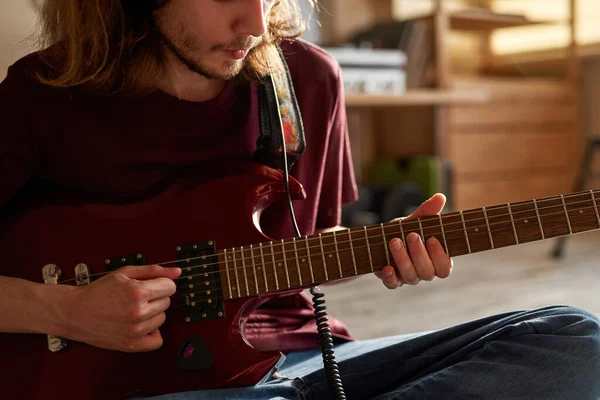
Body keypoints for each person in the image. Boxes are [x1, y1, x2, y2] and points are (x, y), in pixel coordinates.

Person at [1, 1, 599, 399]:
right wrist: (64, 311)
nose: (255, 21)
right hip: (144, 387)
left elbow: (303, 251)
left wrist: (386, 248)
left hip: (307, 362)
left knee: (576, 341)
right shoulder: (44, 93)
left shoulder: (305, 80)